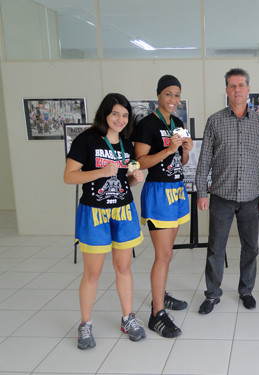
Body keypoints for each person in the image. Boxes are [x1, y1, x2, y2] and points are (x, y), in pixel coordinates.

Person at [63, 93, 146, 349]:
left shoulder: (127, 144)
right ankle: (85, 324)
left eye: (124, 115)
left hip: (122, 211)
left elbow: (125, 180)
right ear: (105, 114)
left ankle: (127, 318)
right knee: (93, 272)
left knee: (123, 268)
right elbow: (69, 177)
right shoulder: (86, 140)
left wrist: (136, 178)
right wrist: (101, 171)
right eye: (115, 114)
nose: (120, 119)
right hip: (94, 213)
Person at [195, 68, 259, 314]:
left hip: (251, 198)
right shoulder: (215, 121)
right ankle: (212, 294)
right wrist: (201, 192)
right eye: (232, 85)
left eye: (241, 85)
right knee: (216, 247)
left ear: (248, 89)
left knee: (251, 247)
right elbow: (204, 158)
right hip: (221, 197)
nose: (237, 89)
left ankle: (246, 290)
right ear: (227, 90)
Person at [132, 75, 194, 338]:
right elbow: (140, 162)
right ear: (158, 95)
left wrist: (186, 149)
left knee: (168, 254)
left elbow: (183, 159)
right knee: (163, 254)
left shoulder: (178, 123)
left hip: (176, 190)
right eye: (169, 94)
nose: (173, 100)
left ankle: (161, 294)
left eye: (177, 95)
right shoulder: (147, 124)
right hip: (158, 192)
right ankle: (157, 313)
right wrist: (169, 150)